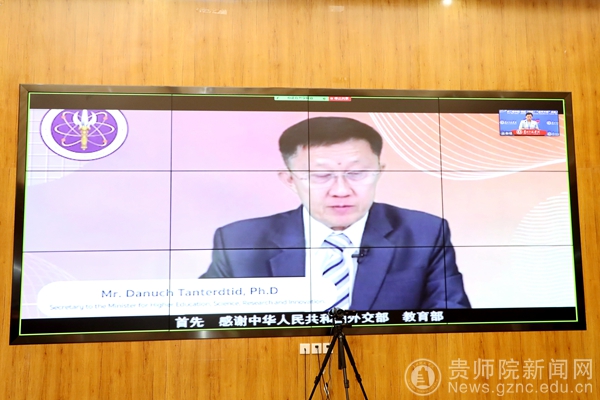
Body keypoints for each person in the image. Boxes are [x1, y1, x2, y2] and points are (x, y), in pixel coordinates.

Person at [200, 117, 470, 311]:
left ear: (379, 172)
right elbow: (206, 320)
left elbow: (452, 320)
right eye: (321, 175)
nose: (341, 190)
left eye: (357, 173)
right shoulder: (239, 240)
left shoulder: (423, 233)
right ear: (290, 180)